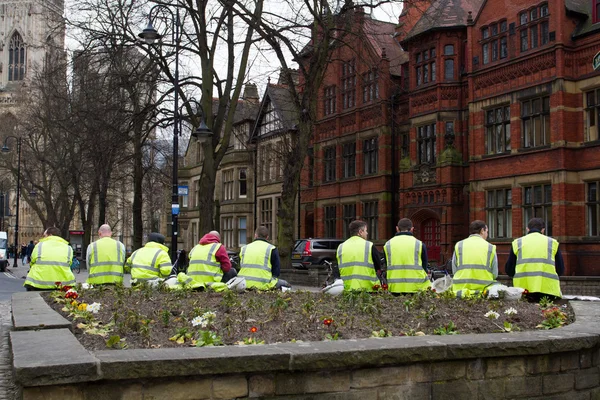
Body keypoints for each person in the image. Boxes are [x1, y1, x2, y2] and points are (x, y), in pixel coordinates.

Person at [505, 217, 563, 300]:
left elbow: (509, 270)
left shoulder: (517, 243)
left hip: (523, 291)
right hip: (548, 291)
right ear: (543, 230)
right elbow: (560, 269)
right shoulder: (552, 243)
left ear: (527, 229)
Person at [451, 220, 498, 297]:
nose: (487, 235)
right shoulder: (490, 247)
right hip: (483, 292)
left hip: (460, 292)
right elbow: (495, 274)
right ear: (482, 231)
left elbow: (454, 270)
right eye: (487, 232)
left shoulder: (459, 245)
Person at [384, 218, 430, 294]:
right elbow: (424, 267)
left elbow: (387, 265)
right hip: (416, 287)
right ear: (412, 229)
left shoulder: (388, 245)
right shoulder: (419, 244)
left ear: (397, 229)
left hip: (395, 287)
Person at [336, 220, 382, 291]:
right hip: (368, 289)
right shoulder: (369, 245)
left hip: (347, 289)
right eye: (366, 231)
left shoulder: (341, 247)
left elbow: (338, 268)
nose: (367, 233)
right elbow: (378, 266)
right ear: (360, 232)